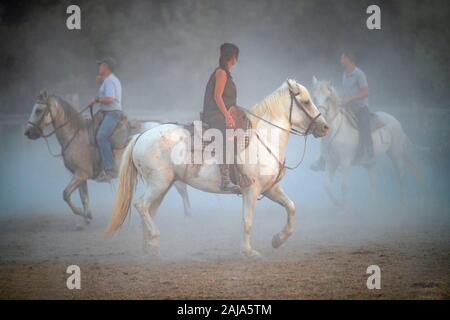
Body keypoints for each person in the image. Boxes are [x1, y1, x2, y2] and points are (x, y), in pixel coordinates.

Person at [311, 51, 372, 171]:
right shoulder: (345, 75)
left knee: (364, 126)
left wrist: (351, 98)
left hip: (360, 108)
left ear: (349, 60)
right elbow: (345, 92)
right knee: (329, 124)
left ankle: (369, 152)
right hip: (347, 107)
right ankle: (323, 157)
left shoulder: (360, 75)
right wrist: (341, 99)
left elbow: (366, 93)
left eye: (342, 58)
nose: (341, 61)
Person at [202, 43, 239, 191]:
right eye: (235, 56)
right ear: (232, 58)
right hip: (215, 113)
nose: (236, 60)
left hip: (222, 112)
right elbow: (217, 97)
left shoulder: (226, 74)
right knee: (226, 134)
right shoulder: (221, 73)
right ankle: (225, 179)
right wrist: (227, 116)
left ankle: (239, 171)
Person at [89, 57, 123, 181]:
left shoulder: (109, 81)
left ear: (106, 67)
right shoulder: (109, 80)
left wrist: (96, 100)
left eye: (101, 65)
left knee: (101, 137)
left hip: (112, 113)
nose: (99, 67)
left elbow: (110, 98)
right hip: (108, 112)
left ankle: (110, 169)